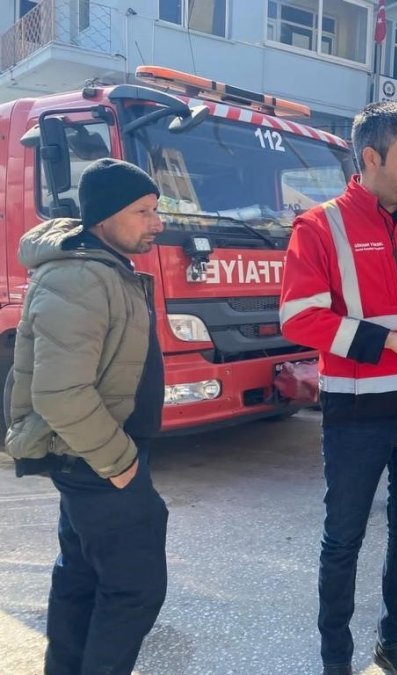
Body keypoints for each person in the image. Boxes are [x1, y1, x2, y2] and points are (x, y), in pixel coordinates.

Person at [279, 101, 397, 675]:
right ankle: (336, 659)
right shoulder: (320, 226)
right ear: (371, 156)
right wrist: (391, 343)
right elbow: (298, 316)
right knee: (343, 541)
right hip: (359, 413)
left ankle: (393, 640)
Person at [4, 158, 168, 674]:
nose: (157, 222)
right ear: (103, 218)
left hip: (89, 454)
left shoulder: (99, 266)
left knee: (80, 576)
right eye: (143, 211)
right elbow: (60, 393)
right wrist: (119, 463)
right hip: (95, 458)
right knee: (134, 591)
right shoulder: (79, 277)